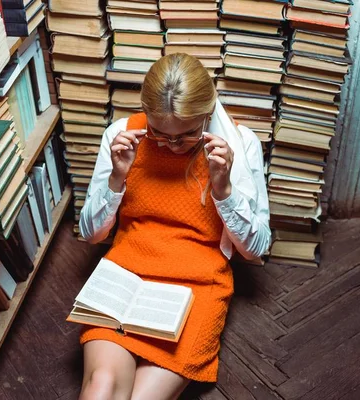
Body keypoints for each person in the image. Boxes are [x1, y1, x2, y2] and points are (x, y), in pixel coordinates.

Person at [78, 53, 271, 400]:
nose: (171, 145)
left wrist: (223, 188)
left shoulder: (240, 145)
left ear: (208, 115)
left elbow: (257, 247)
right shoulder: (121, 134)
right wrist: (117, 177)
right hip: (125, 276)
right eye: (159, 133)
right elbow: (91, 234)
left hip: (196, 285)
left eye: (187, 134)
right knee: (101, 386)